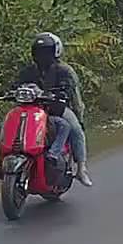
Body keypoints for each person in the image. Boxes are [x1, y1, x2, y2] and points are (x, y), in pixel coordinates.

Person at [12, 32, 94, 187]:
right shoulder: (29, 71)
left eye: (46, 52)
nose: (42, 56)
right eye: (39, 52)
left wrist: (79, 116)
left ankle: (81, 169)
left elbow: (74, 96)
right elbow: (16, 84)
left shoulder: (65, 71)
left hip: (56, 107)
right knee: (10, 121)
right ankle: (5, 157)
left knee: (76, 129)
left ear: (55, 52)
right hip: (32, 108)